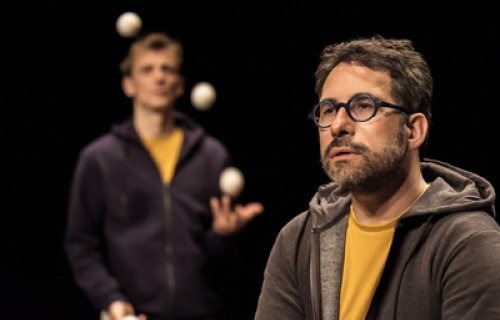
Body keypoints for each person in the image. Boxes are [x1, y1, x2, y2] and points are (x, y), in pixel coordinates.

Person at [255, 36, 500, 320]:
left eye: (363, 105)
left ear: (413, 130)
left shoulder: (468, 243)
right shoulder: (298, 240)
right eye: (329, 110)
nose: (338, 126)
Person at [65, 32, 263, 320]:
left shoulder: (211, 155)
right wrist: (112, 300)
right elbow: (81, 245)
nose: (158, 77)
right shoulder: (99, 159)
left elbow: (225, 262)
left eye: (167, 69)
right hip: (134, 315)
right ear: (128, 84)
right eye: (147, 69)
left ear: (180, 84)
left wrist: (224, 236)